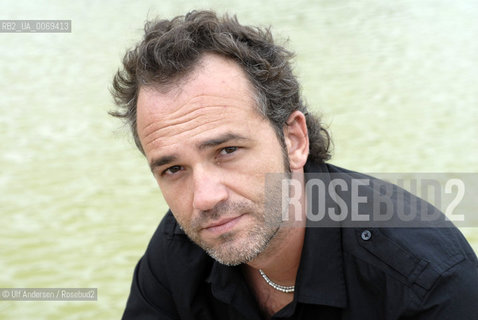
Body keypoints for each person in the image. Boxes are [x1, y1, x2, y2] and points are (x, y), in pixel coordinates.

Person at [110, 10, 478, 320]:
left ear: (294, 140)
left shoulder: (428, 282)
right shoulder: (178, 251)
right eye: (173, 169)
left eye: (227, 150)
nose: (204, 198)